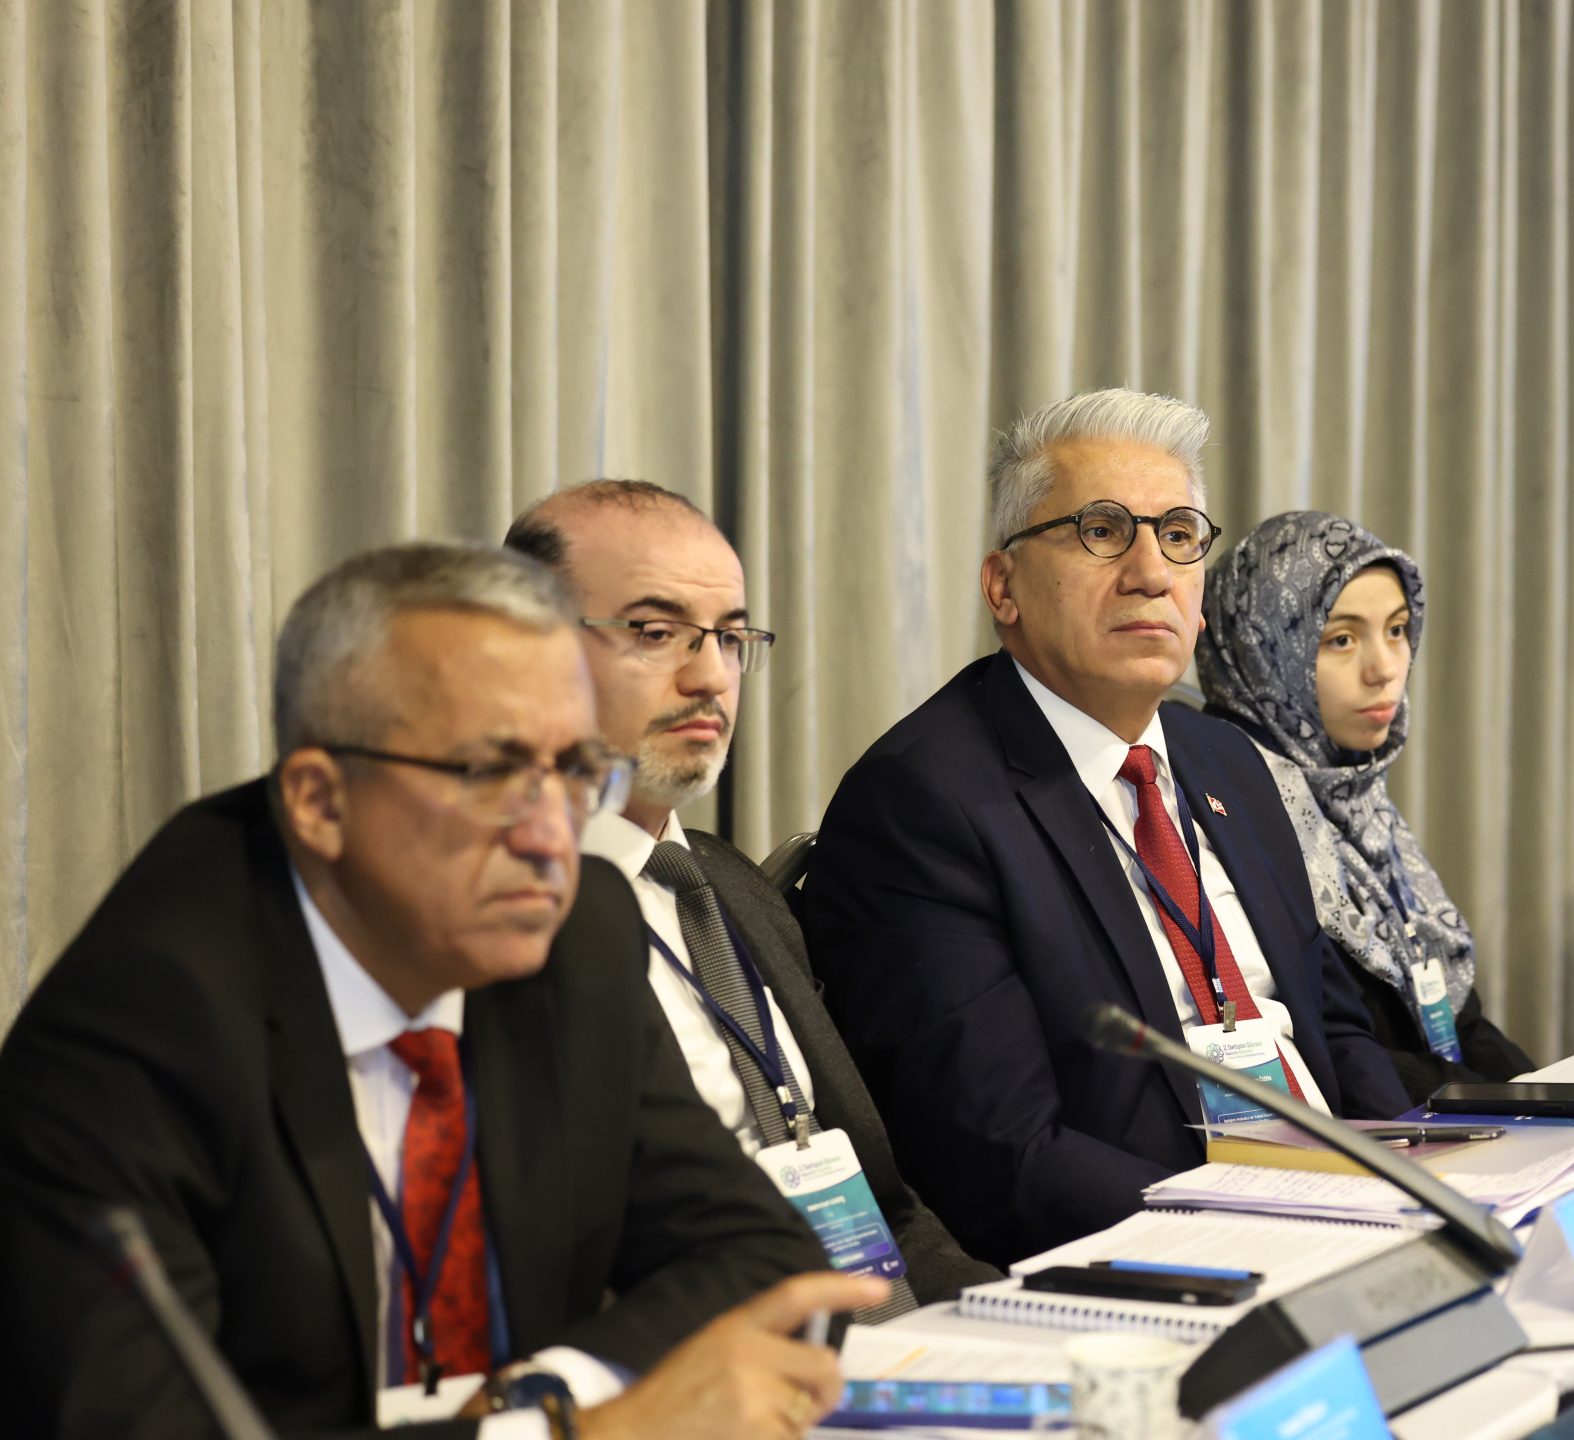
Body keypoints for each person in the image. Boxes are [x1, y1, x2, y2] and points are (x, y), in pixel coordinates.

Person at [0, 543, 875, 1440]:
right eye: (491, 774)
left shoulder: (575, 937)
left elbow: (763, 1262)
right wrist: (589, 1434)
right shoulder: (138, 1026)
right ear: (320, 802)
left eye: (576, 772)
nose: (550, 838)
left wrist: (539, 1400)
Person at [801, 389, 1407, 1266]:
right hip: (1166, 1260)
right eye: (1101, 531)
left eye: (1179, 535)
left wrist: (1410, 1175)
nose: (1151, 573)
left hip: (1345, 1218)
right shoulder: (923, 804)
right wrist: (1269, 1231)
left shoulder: (1227, 760)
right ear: (1003, 586)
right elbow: (1002, 1158)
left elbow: (1333, 1029)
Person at [504, 482, 998, 1311]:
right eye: (655, 633)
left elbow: (888, 1206)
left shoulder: (733, 886)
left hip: (895, 1335)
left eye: (731, 638)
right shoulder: (494, 924)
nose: (709, 677)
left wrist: (998, 1325)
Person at [1196, 512, 1537, 1106]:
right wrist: (1515, 1111)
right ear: (1262, 649)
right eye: (1342, 640)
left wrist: (1559, 1100)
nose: (1385, 669)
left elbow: (1458, 1020)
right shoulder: (1225, 809)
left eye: (1398, 630)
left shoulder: (1354, 797)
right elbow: (1329, 1054)